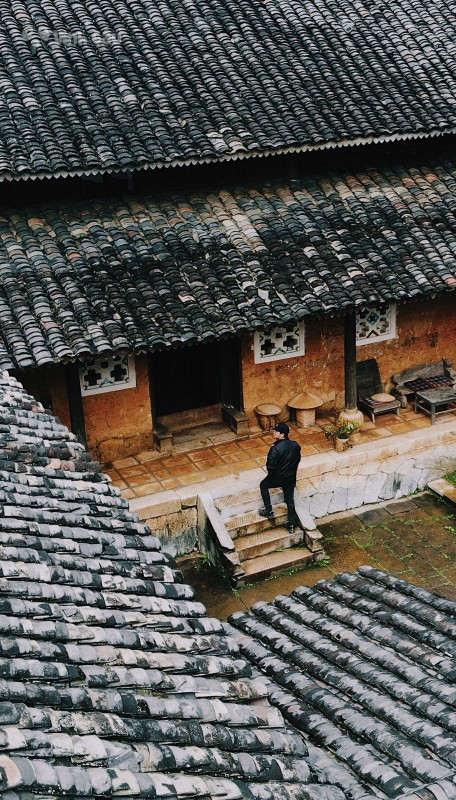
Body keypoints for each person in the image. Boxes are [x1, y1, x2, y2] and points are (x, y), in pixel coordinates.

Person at [258, 422, 301, 533]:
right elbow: (297, 460)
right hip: (290, 478)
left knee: (263, 485)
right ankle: (291, 523)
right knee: (289, 499)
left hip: (278, 477)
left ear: (282, 434)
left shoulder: (275, 449)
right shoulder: (295, 446)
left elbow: (270, 467)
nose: (273, 432)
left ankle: (268, 510)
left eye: (276, 431)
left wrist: (272, 475)